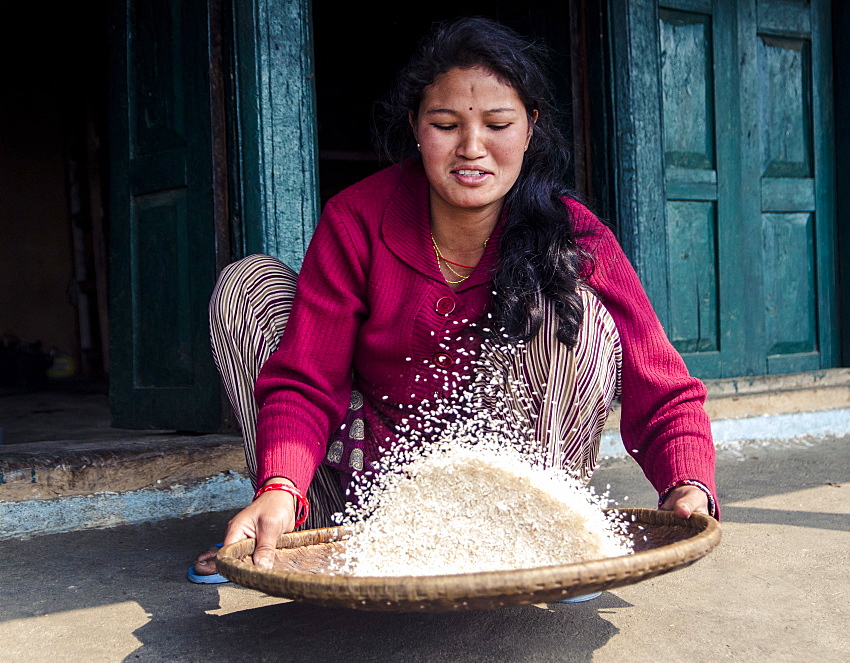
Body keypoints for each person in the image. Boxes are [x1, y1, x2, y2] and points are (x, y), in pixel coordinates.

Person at [189, 16, 716, 583]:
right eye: (445, 124)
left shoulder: (576, 235)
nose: (472, 149)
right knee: (247, 284)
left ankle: (545, 544)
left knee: (567, 301)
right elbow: (305, 379)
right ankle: (289, 524)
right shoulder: (357, 219)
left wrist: (686, 483)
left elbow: (660, 383)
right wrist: (280, 483)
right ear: (416, 126)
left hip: (510, 502)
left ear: (530, 128)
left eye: (498, 124)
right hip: (362, 485)